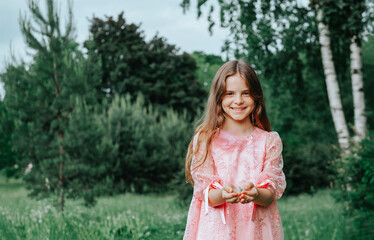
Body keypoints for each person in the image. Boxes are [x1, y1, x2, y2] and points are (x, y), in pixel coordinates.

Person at [183, 60, 286, 240]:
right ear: (219, 97)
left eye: (245, 93)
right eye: (230, 93)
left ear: (256, 96)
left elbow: (270, 193)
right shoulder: (206, 139)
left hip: (255, 231)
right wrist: (223, 194)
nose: (238, 100)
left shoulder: (269, 141)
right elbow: (205, 194)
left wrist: (255, 194)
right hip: (217, 232)